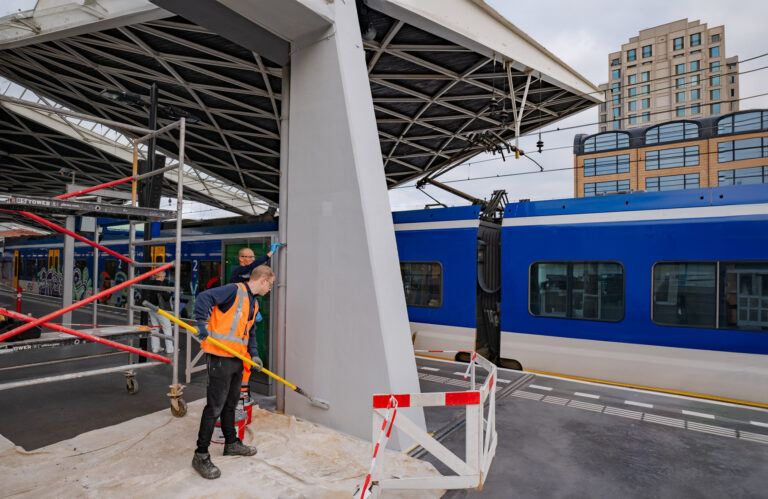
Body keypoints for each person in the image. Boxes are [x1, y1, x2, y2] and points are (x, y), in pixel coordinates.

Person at [192, 265, 275, 480]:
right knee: (215, 407)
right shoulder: (233, 291)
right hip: (220, 357)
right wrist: (201, 323)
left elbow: (250, 332)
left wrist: (254, 354)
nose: (270, 289)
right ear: (263, 280)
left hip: (238, 358)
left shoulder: (254, 303)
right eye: (270, 285)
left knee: (231, 403)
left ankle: (231, 443)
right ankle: (201, 454)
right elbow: (203, 297)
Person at [228, 243, 283, 401]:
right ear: (241, 259)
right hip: (238, 318)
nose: (253, 259)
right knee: (238, 359)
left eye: (254, 257)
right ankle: (237, 395)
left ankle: (243, 394)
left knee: (249, 350)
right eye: (250, 257)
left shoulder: (250, 273)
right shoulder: (237, 271)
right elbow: (254, 267)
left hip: (248, 315)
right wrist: (269, 254)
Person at [144, 270, 174, 354]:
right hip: (160, 309)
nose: (164, 278)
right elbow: (166, 298)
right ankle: (170, 348)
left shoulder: (150, 283)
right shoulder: (162, 285)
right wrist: (169, 292)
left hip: (151, 307)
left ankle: (155, 348)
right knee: (167, 328)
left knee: (155, 327)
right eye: (164, 276)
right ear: (161, 276)